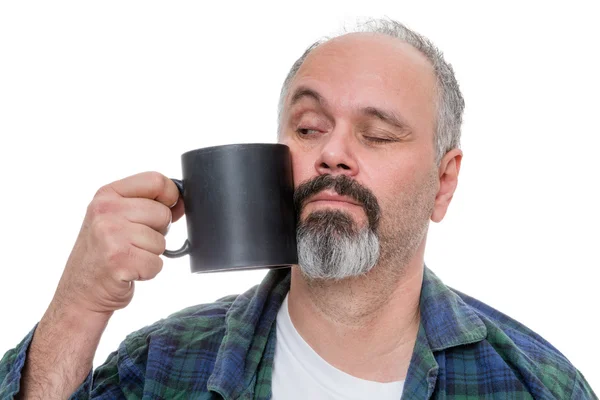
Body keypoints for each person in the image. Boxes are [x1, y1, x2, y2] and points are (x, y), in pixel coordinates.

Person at [0, 18, 596, 400]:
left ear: (444, 183)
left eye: (378, 135)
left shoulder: (538, 388)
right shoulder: (161, 366)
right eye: (310, 127)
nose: (333, 152)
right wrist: (78, 306)